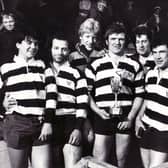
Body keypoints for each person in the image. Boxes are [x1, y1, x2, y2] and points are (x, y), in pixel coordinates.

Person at [85, 22, 144, 168]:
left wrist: (131, 117)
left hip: (125, 116)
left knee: (122, 160)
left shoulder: (135, 65)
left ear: (126, 41)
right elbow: (86, 93)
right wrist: (98, 111)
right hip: (102, 115)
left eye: (121, 39)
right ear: (106, 41)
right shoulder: (95, 64)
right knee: (99, 161)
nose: (117, 42)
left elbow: (140, 94)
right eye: (113, 39)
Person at [0, 30, 57, 168]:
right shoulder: (6, 68)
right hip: (16, 123)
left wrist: (48, 122)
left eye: (36, 44)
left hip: (40, 124)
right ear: (18, 44)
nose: (33, 46)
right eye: (29, 42)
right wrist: (2, 105)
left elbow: (51, 95)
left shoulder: (43, 66)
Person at [47, 33, 88, 168]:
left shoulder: (76, 73)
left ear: (69, 51)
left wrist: (78, 128)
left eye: (64, 49)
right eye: (56, 48)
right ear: (51, 49)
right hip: (50, 122)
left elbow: (82, 102)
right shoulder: (43, 70)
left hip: (71, 121)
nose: (60, 52)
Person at [135, 34, 168, 168]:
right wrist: (138, 118)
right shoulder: (151, 73)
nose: (158, 56)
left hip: (163, 130)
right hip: (146, 127)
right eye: (154, 52)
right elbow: (147, 99)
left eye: (162, 52)